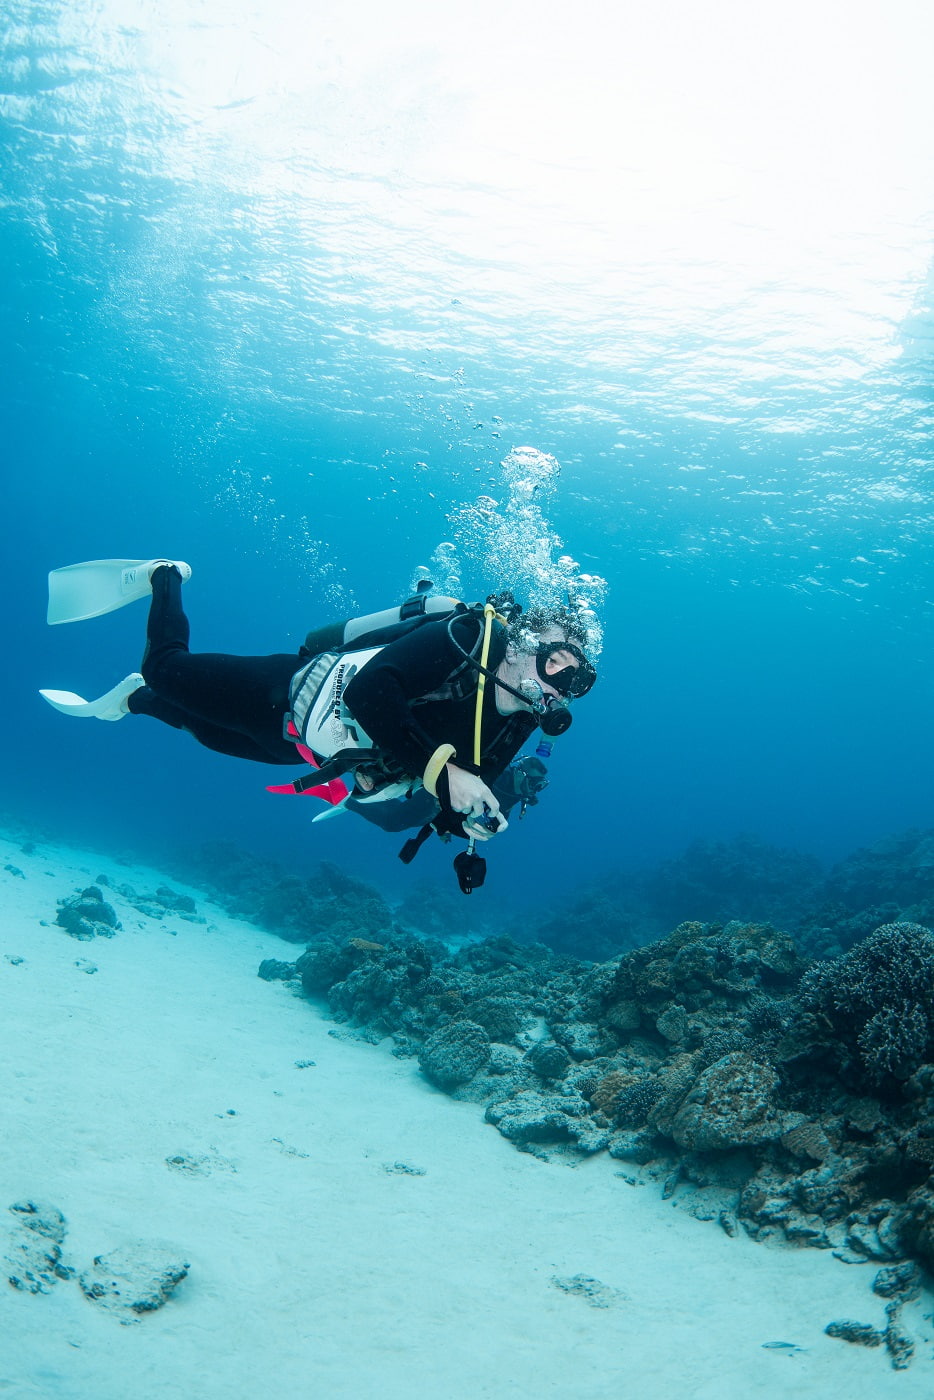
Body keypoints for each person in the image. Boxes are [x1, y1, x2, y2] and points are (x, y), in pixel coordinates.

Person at [41, 560, 596, 888]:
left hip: (313, 749)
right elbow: (370, 691)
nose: (558, 688)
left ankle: (134, 702)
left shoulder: (521, 717)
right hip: (288, 691)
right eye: (556, 664)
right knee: (165, 670)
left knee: (207, 733)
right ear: (523, 644)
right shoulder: (468, 638)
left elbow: (456, 787)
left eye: (576, 681)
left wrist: (471, 821)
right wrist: (446, 773)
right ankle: (164, 576)